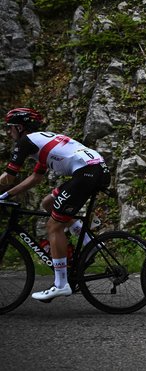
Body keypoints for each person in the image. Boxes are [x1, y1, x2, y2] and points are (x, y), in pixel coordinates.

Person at [0, 107, 110, 301]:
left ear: (19, 127)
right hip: (93, 169)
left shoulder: (26, 141)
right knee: (48, 203)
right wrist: (6, 195)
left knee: (53, 226)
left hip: (88, 171)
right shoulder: (41, 142)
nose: (8, 133)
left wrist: (6, 188)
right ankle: (88, 243)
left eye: (10, 128)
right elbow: (35, 178)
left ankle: (61, 284)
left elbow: (9, 177)